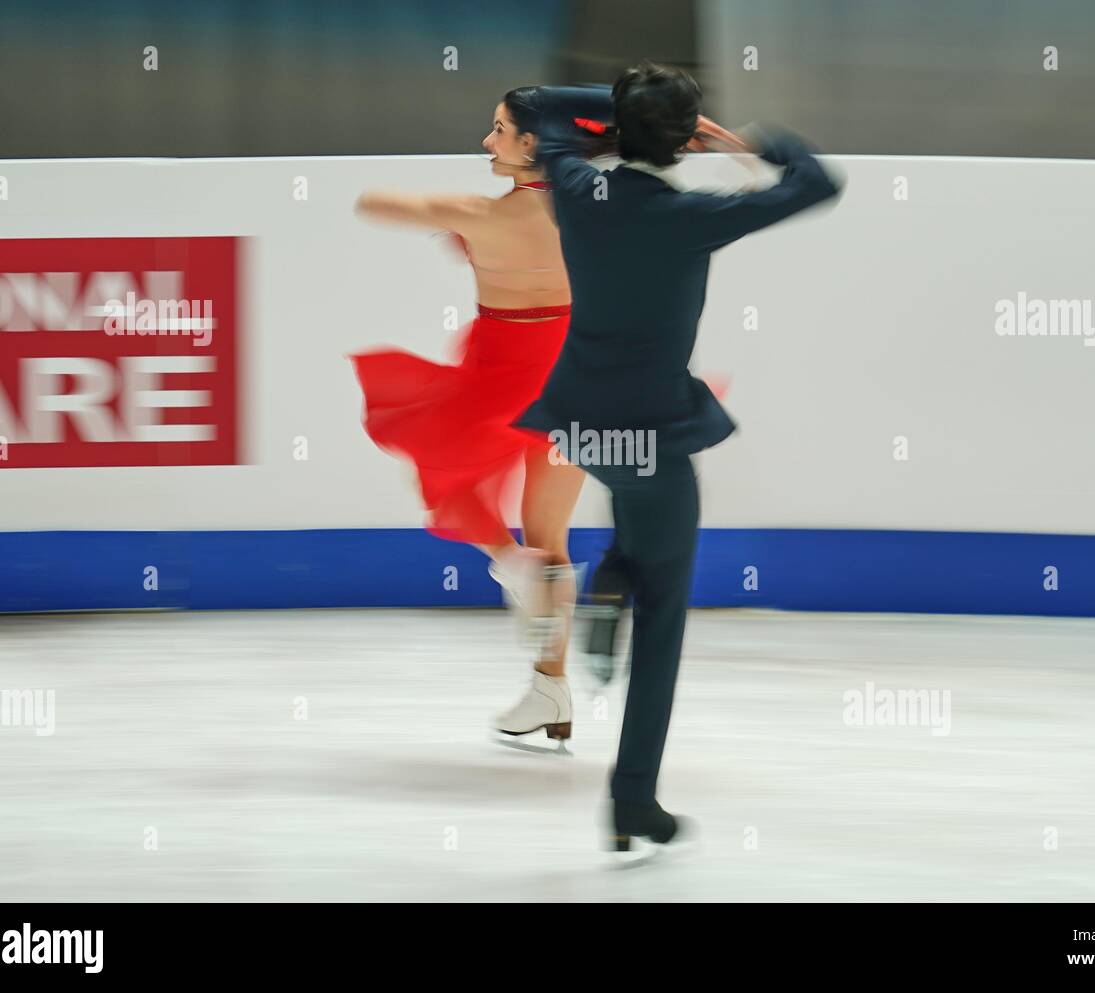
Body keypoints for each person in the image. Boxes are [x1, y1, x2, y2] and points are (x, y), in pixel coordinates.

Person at [515, 62, 843, 853]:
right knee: (664, 613)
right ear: (683, 143)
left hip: (585, 423)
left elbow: (541, 107)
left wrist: (624, 115)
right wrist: (752, 141)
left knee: (639, 533)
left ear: (619, 133)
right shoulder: (691, 213)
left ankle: (610, 576)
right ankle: (634, 799)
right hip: (654, 430)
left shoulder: (572, 183)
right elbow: (815, 183)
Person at [349, 87, 608, 747]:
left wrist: (456, 220)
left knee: (441, 473)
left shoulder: (484, 214)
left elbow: (371, 203)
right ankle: (550, 685)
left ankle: (507, 562)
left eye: (499, 131)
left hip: (504, 380)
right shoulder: (599, 209)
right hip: (577, 381)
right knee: (552, 537)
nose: (487, 143)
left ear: (532, 144)